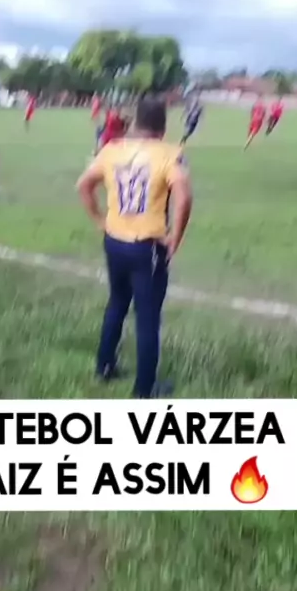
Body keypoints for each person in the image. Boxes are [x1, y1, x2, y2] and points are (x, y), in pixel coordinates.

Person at [76, 94, 193, 398]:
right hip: (147, 247)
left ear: (137, 122)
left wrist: (100, 220)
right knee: (147, 316)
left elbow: (83, 185)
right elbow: (184, 197)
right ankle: (145, 389)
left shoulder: (112, 149)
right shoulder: (170, 154)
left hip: (114, 241)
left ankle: (104, 366)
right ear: (162, 126)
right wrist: (175, 238)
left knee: (117, 302)